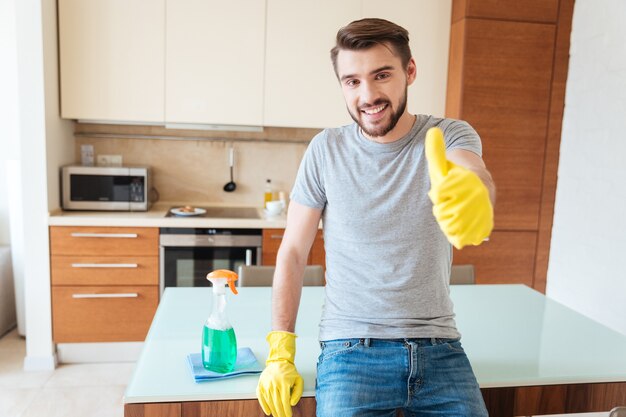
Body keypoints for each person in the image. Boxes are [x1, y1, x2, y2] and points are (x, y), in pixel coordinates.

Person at [256, 17, 495, 417]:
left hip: (439, 348)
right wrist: (281, 350)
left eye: (381, 75)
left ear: (410, 72)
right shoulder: (325, 149)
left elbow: (471, 171)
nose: (368, 95)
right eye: (352, 81)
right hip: (351, 351)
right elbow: (294, 252)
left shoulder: (449, 134)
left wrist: (474, 189)